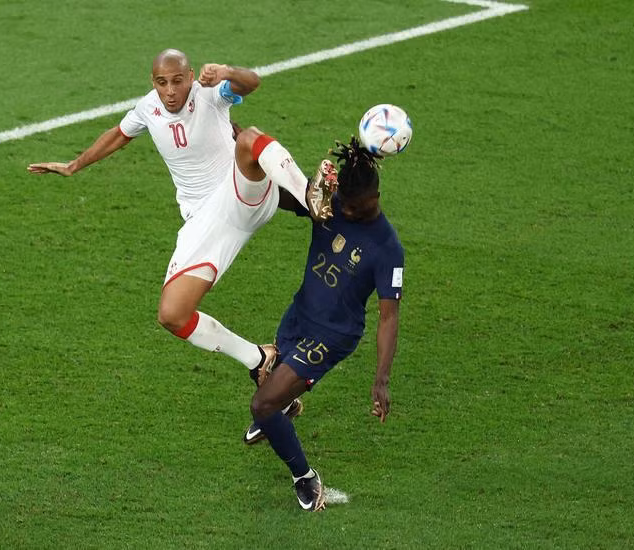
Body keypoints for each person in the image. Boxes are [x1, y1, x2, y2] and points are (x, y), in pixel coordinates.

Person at [27, 48, 337, 378]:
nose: (171, 91)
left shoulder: (209, 94)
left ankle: (309, 197)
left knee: (248, 138)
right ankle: (259, 359)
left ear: (190, 77)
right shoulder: (148, 108)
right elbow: (119, 134)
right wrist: (75, 165)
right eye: (162, 83)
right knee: (172, 314)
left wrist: (227, 71)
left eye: (177, 81)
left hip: (239, 192)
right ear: (153, 82)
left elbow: (252, 82)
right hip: (204, 220)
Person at [243, 137, 405, 511]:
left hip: (331, 335)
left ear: (374, 198)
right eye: (342, 205)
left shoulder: (387, 248)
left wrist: (381, 379)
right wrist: (265, 181)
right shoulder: (331, 205)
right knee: (264, 375)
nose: (345, 213)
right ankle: (284, 411)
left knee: (262, 405)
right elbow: (286, 201)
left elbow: (389, 316)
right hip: (298, 314)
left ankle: (305, 477)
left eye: (354, 208)